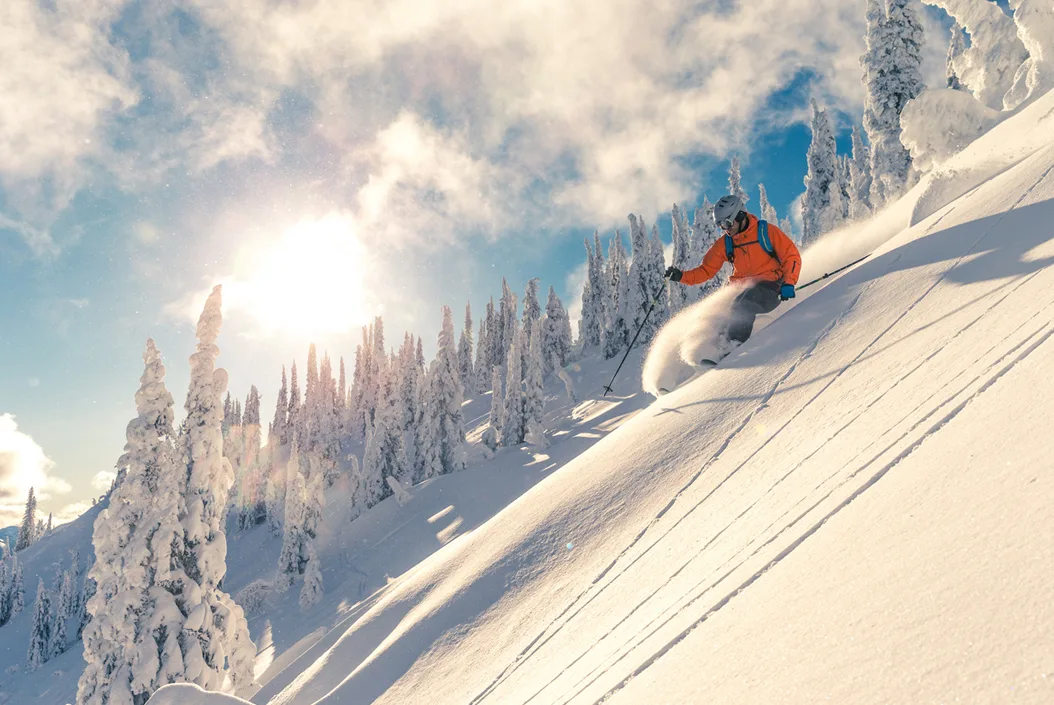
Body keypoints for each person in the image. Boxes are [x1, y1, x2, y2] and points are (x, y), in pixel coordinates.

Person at [665, 194, 802, 351]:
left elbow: (791, 257)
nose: (726, 228)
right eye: (721, 225)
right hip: (741, 290)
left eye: (728, 223)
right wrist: (681, 276)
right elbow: (706, 271)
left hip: (771, 289)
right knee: (717, 315)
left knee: (743, 304)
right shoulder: (726, 243)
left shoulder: (766, 232)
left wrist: (789, 282)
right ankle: (710, 352)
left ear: (740, 215)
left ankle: (732, 347)